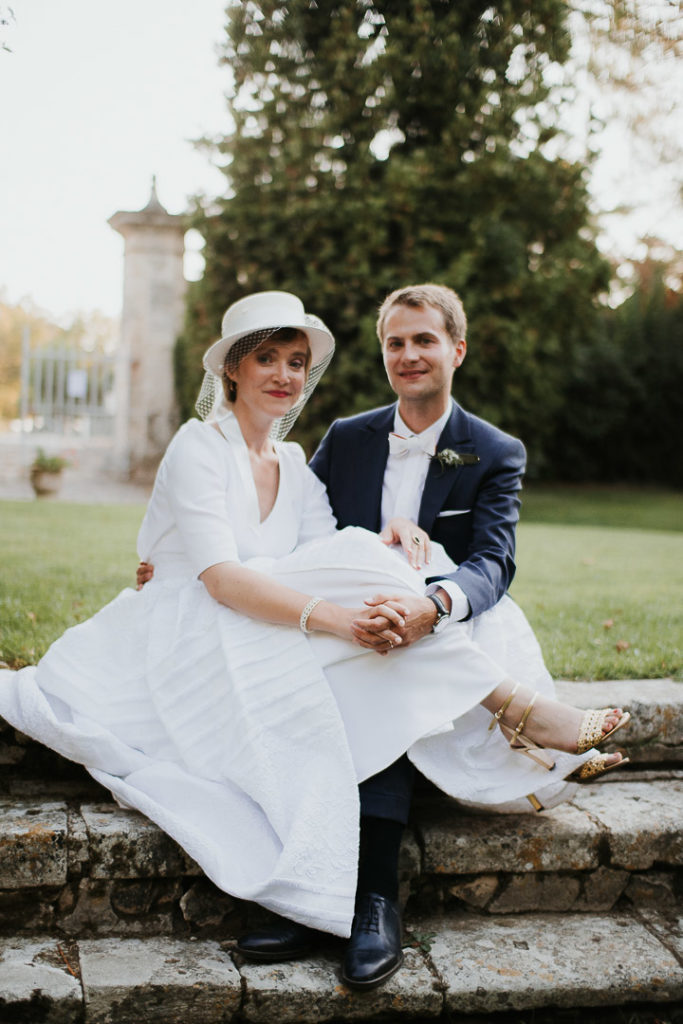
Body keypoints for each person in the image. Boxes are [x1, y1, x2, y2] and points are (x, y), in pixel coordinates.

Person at [0, 291, 629, 995]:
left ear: (456, 349)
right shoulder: (199, 445)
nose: (283, 374)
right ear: (232, 369)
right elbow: (223, 578)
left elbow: (335, 548)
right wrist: (341, 617)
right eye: (265, 358)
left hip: (273, 618)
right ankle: (518, 710)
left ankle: (337, 895)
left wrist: (396, 547)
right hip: (189, 630)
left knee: (369, 579)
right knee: (360, 631)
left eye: (296, 362)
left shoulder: (297, 461)